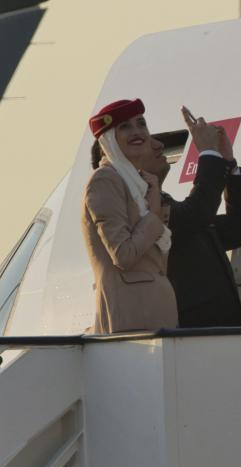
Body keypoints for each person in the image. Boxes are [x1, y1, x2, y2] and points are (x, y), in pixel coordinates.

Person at [91, 109, 241, 328]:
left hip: (221, 330)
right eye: (148, 142)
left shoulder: (165, 204)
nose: (159, 145)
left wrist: (229, 163)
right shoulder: (137, 208)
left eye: (143, 127)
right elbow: (197, 213)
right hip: (189, 333)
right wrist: (208, 154)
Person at [82, 98, 177, 333]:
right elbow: (123, 255)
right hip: (130, 317)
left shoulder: (139, 182)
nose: (137, 132)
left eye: (141, 124)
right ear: (109, 140)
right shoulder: (105, 180)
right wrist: (154, 215)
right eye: (124, 127)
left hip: (154, 314)